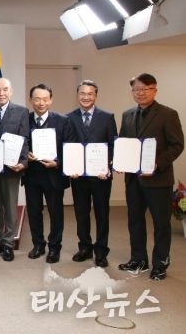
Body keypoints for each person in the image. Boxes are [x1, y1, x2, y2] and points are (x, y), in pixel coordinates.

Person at [118, 73, 183, 281]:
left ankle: (160, 264)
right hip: (133, 180)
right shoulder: (127, 115)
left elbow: (177, 145)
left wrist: (157, 163)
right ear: (132, 92)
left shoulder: (168, 114)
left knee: (161, 224)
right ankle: (139, 259)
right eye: (136, 89)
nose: (140, 93)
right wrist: (119, 161)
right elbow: (123, 143)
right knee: (135, 221)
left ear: (155, 90)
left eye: (145, 89)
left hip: (158, 180)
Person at [66, 80, 117, 268]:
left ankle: (101, 251)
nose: (86, 97)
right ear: (77, 95)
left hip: (101, 177)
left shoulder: (107, 117)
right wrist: (70, 166)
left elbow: (112, 145)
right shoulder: (68, 118)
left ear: (95, 96)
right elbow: (67, 146)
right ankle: (85, 248)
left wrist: (107, 166)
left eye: (90, 94)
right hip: (78, 176)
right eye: (82, 93)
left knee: (102, 214)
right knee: (81, 213)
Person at [23, 83, 73, 264]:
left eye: (45, 99)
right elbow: (20, 142)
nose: (41, 103)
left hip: (54, 174)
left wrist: (58, 163)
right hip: (32, 174)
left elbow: (69, 148)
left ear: (51, 100)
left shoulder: (63, 120)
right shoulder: (24, 119)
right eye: (37, 99)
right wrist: (25, 153)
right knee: (34, 212)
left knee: (56, 213)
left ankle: (54, 247)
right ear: (31, 100)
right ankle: (38, 245)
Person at [0, 78, 29, 262]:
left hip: (11, 168)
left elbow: (24, 138)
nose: (1, 93)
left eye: (5, 89)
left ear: (11, 91)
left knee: (10, 207)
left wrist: (23, 162)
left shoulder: (21, 112)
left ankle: (8, 244)